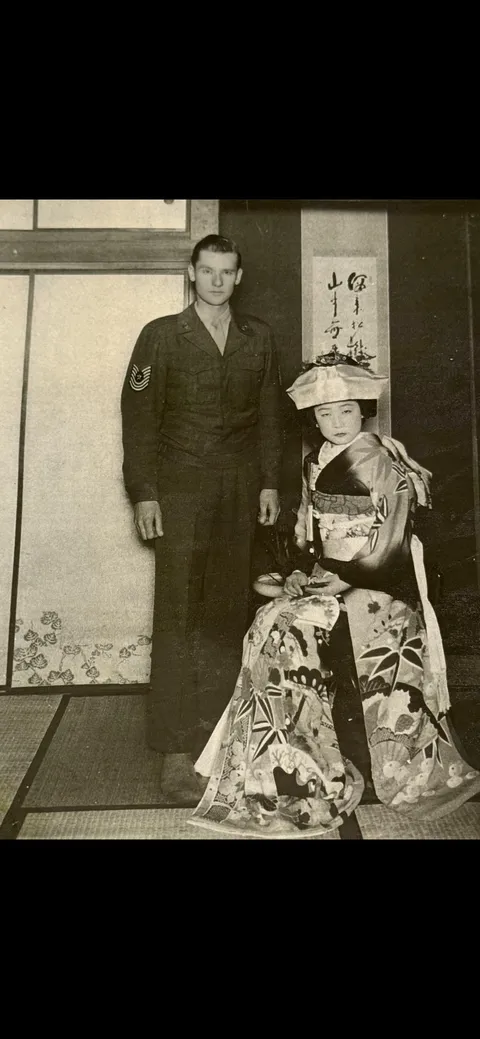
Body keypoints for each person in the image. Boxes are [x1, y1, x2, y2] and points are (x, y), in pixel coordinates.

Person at [189, 353, 480, 838]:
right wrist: (302, 573)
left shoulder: (384, 457)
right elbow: (310, 535)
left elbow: (393, 534)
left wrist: (346, 577)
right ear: (313, 417)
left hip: (382, 580)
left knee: (294, 626)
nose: (336, 422)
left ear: (362, 409)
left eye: (346, 410)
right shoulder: (313, 462)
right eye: (324, 414)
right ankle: (297, 766)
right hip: (335, 573)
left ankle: (371, 766)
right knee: (273, 621)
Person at [121, 234, 282, 803]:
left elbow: (269, 415)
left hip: (239, 492)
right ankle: (174, 749)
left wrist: (268, 481)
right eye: (207, 271)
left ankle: (217, 741)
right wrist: (144, 494)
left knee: (223, 615)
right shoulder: (161, 336)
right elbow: (138, 420)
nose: (217, 281)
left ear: (238, 278)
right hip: (180, 490)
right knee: (178, 614)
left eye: (227, 272)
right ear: (192, 273)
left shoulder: (257, 337)